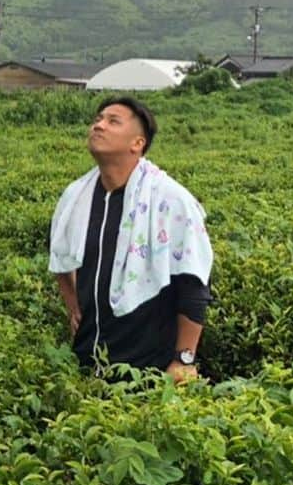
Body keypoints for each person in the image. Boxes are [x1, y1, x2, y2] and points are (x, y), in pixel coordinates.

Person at [49, 96, 213, 382]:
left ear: (137, 143)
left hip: (148, 368)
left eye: (113, 121)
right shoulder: (77, 197)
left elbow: (194, 284)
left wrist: (184, 359)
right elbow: (60, 257)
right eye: (98, 119)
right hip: (87, 362)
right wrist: (73, 306)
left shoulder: (171, 201)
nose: (98, 126)